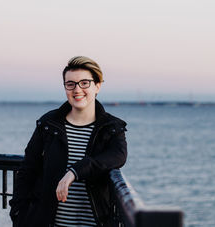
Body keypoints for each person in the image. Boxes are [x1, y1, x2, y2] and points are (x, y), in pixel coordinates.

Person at [9, 56, 127, 227]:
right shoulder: (49, 124)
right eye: (70, 84)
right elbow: (28, 169)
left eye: (84, 83)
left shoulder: (110, 127)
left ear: (97, 86)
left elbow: (118, 156)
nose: (77, 89)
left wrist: (75, 171)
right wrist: (18, 213)